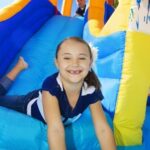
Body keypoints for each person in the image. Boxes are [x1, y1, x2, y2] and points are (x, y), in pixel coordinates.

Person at [0, 37, 116, 150]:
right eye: (67, 58)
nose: (75, 63)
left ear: (89, 63)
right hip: (28, 103)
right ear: (57, 62)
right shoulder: (52, 86)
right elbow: (55, 129)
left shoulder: (91, 89)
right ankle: (19, 67)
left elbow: (103, 129)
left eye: (81, 58)